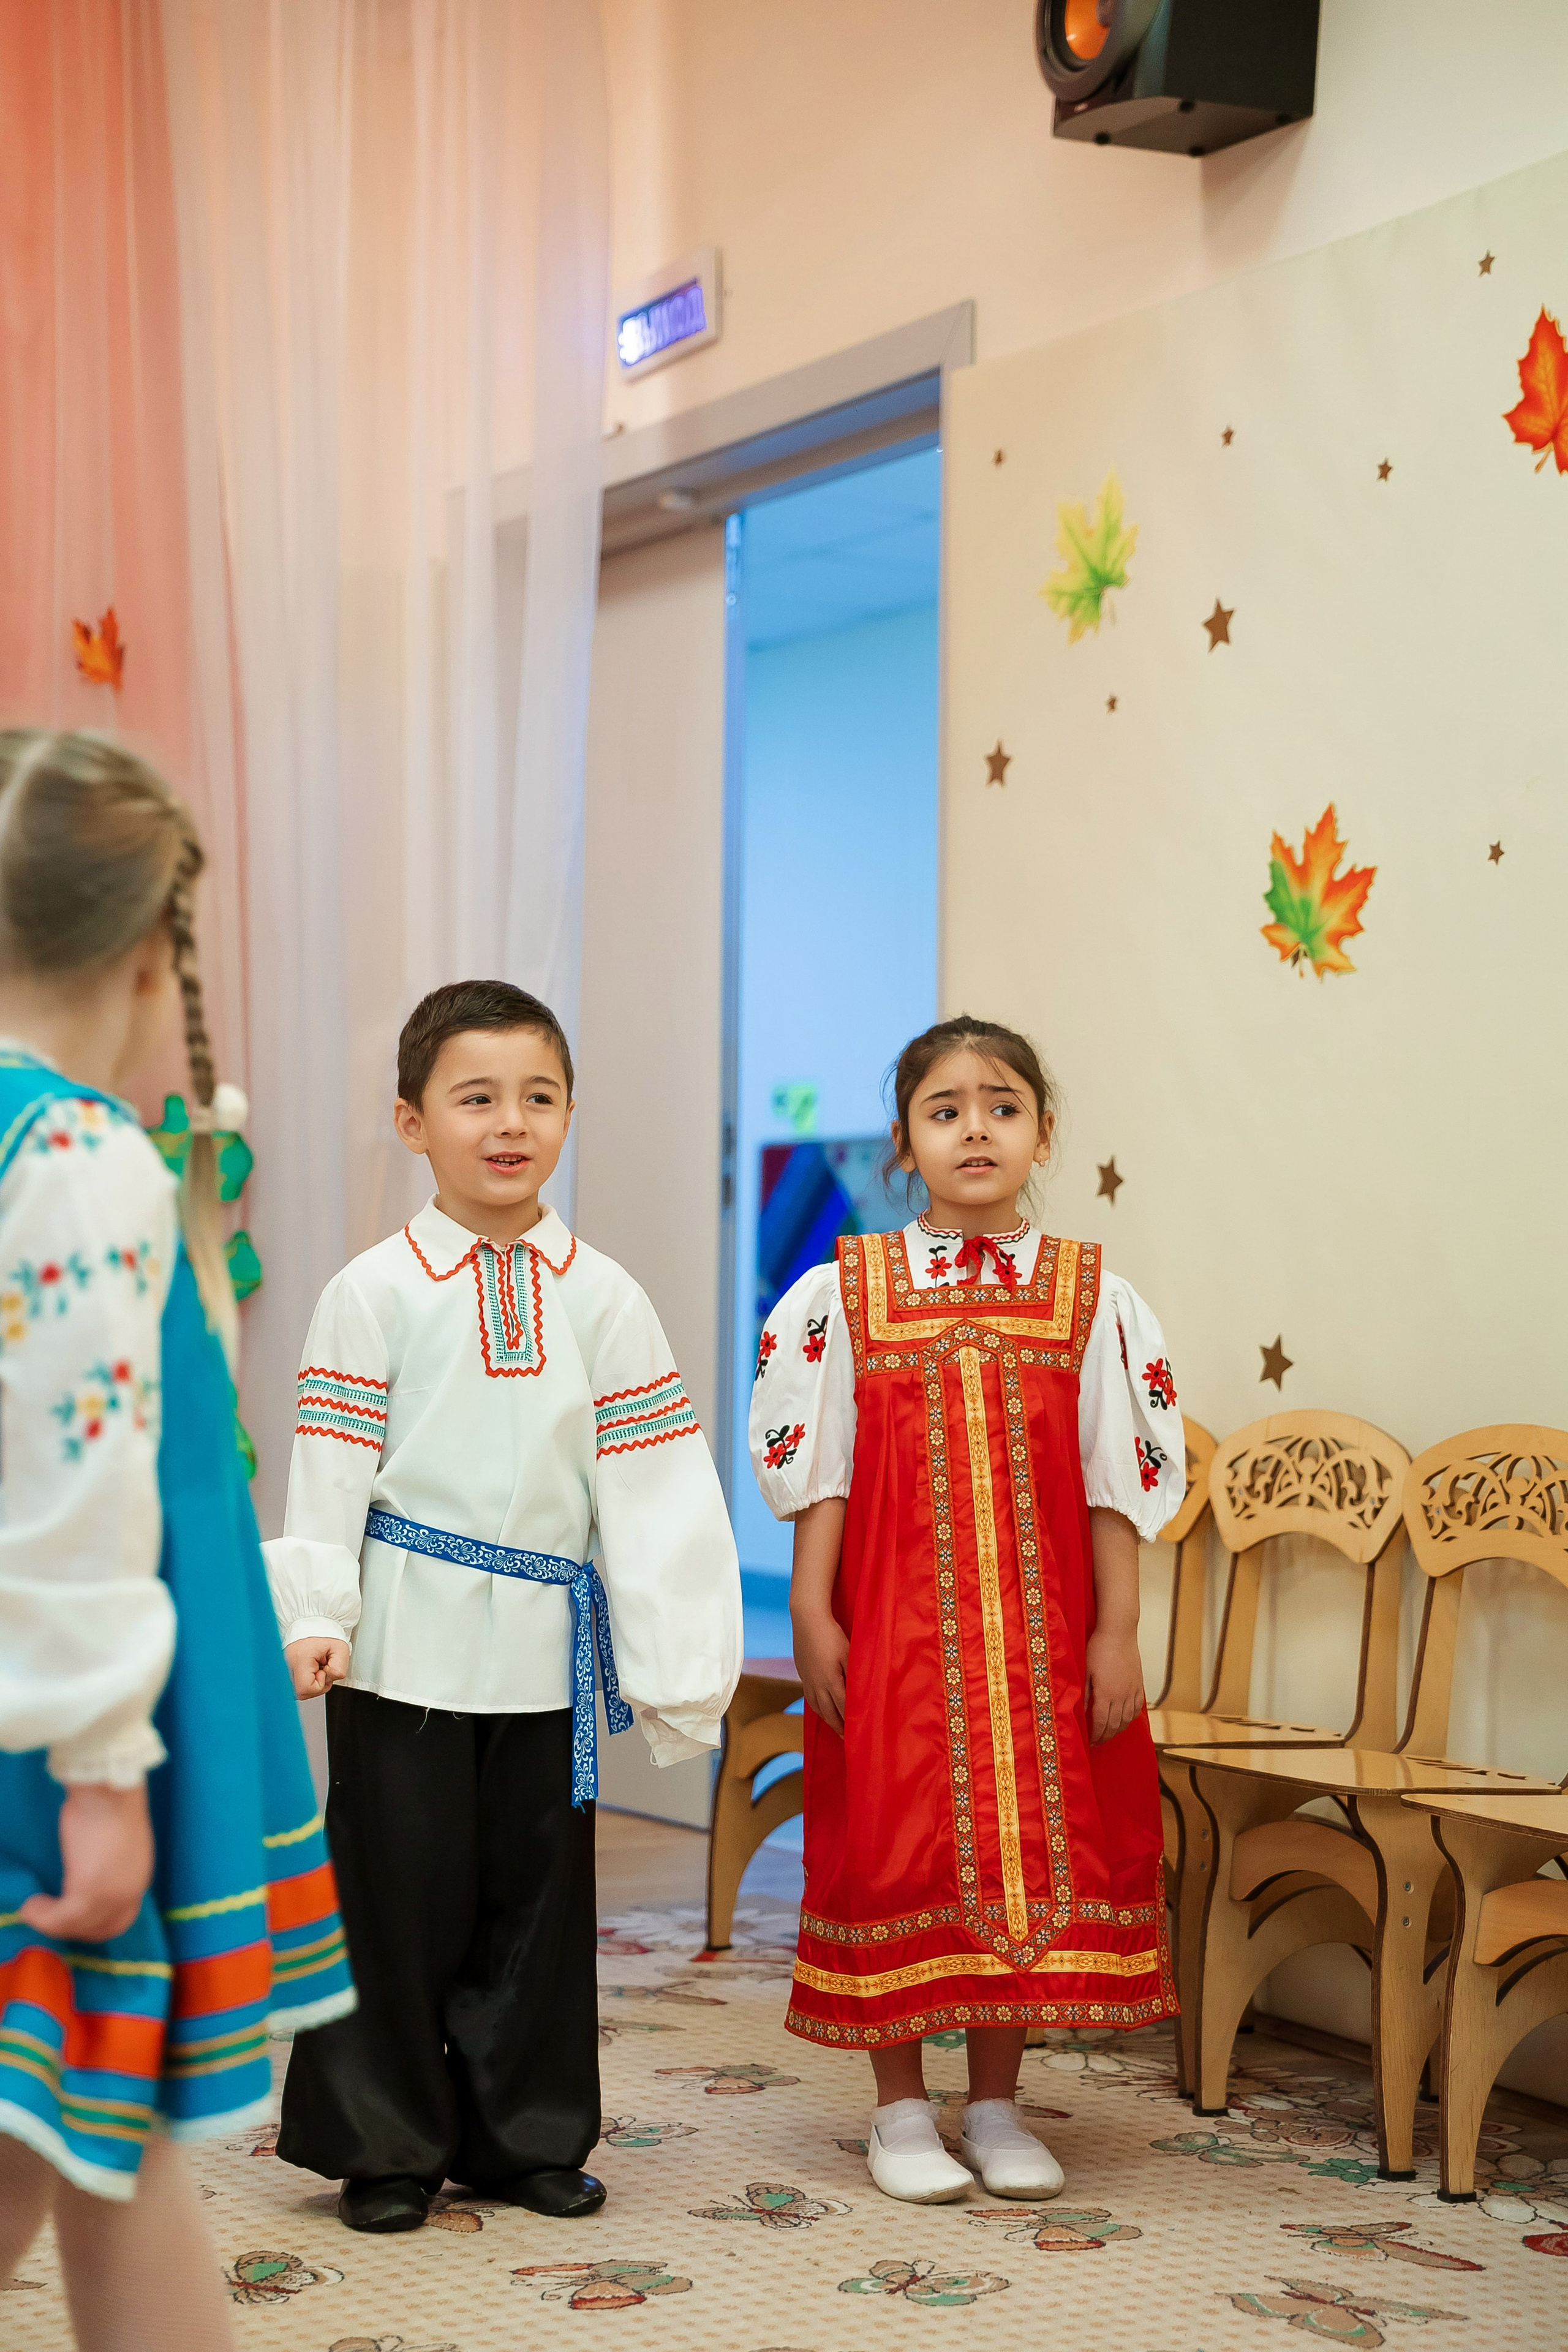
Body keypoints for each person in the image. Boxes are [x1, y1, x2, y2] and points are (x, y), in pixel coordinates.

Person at [266, 978, 742, 2234]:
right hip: (400, 1645)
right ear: (413, 1122)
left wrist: (674, 1653)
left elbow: (651, 1485)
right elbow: (328, 1463)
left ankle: (523, 2137)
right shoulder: (372, 1290)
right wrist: (317, 1608)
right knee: (393, 1896)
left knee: (535, 1906)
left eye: (536, 1096)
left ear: (570, 1115)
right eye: (474, 1097)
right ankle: (382, 2142)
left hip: (542, 1652)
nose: (508, 1121)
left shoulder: (604, 1295)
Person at [0, 731, 354, 2347]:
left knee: (103, 2126)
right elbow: (76, 1495)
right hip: (68, 1733)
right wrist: (95, 1777)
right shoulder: (79, 1157)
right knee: (56, 2112)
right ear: (152, 950)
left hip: (61, 1698)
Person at [750, 1014, 1183, 2206]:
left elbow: (1116, 1479)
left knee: (1024, 1859)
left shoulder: (1093, 1297)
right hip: (890, 1630)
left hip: (1044, 1635)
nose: (974, 1129)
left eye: (1000, 1106)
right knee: (892, 1854)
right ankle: (896, 2110)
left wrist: (1113, 1631)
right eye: (945, 1110)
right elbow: (820, 1467)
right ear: (904, 1143)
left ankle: (993, 2101)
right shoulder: (848, 1292)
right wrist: (808, 1605)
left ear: (1041, 1132)